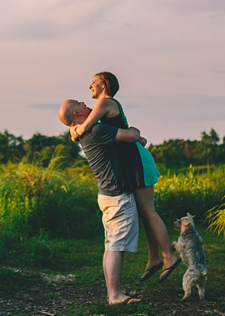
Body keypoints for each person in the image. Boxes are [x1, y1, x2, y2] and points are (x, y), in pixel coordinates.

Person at [69, 72, 180, 283]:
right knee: (142, 212)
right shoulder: (104, 108)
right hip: (132, 161)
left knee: (148, 210)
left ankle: (169, 256)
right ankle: (154, 258)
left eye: (93, 82)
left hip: (137, 160)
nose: (89, 86)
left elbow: (85, 126)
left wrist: (76, 129)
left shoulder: (106, 102)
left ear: (104, 84)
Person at [59, 98, 146, 306]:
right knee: (116, 246)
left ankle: (113, 292)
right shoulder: (96, 130)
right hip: (117, 194)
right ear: (77, 112)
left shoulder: (85, 131)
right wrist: (133, 129)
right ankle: (115, 296)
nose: (84, 101)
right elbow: (133, 135)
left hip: (107, 193)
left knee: (110, 246)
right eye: (78, 103)